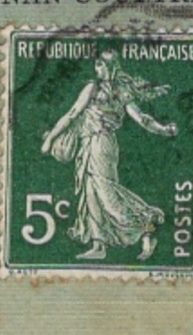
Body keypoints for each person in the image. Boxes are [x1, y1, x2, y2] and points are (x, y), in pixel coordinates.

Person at [40, 50, 179, 260]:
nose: (97, 69)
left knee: (106, 194)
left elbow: (72, 114)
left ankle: (146, 228)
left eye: (101, 65)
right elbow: (142, 118)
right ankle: (99, 246)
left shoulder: (95, 89)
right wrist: (163, 129)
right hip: (95, 144)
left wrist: (50, 138)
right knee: (91, 193)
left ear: (110, 66)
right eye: (96, 65)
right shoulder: (120, 91)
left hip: (99, 143)